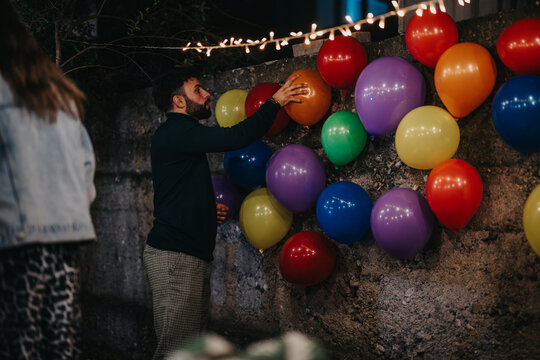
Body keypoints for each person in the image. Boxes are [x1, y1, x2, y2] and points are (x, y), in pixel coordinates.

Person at [144, 70, 306, 360]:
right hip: (175, 258)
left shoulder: (177, 134)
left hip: (186, 254)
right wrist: (274, 102)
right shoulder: (179, 131)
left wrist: (205, 211)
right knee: (175, 350)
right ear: (179, 101)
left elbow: (176, 188)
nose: (207, 94)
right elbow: (237, 136)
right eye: (198, 90)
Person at [0, 1, 97, 359]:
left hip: (14, 242)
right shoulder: (62, 96)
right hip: (66, 237)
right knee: (61, 344)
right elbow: (86, 168)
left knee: (18, 346)